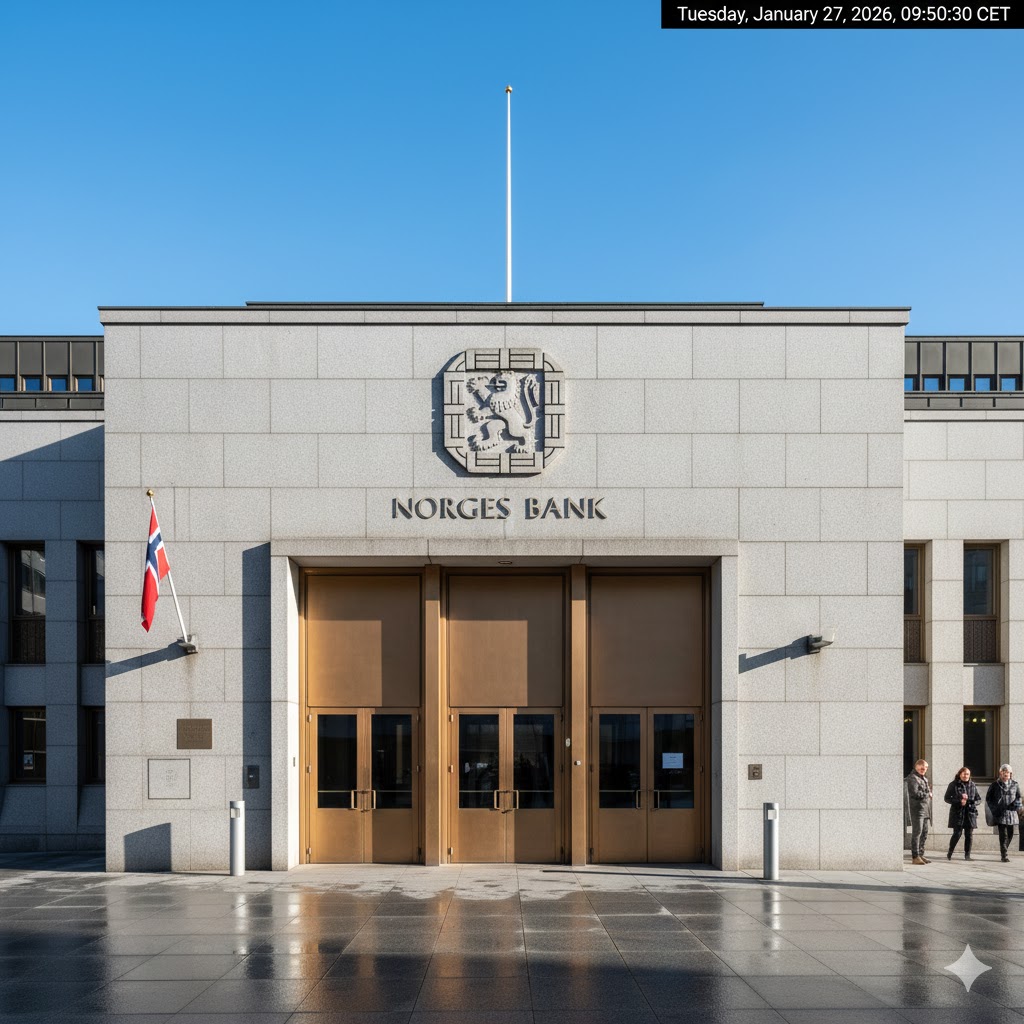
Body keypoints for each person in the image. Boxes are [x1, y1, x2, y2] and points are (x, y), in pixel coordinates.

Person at [986, 764, 1022, 862]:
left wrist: (1017, 805)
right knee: (1003, 834)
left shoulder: (1015, 784)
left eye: (1007, 773)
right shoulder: (995, 785)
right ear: (1000, 773)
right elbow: (989, 799)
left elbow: (1018, 796)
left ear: (1010, 774)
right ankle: (1004, 855)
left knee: (1011, 833)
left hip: (1012, 812)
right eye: (1004, 773)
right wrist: (994, 809)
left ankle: (1004, 848)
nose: (1006, 775)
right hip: (1000, 812)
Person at [944, 766, 980, 860]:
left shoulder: (973, 785)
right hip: (958, 813)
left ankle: (967, 855)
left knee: (969, 835)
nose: (965, 776)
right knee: (957, 833)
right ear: (959, 774)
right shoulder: (953, 784)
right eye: (964, 774)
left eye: (967, 774)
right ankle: (950, 852)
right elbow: (947, 798)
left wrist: (972, 802)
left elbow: (978, 799)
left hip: (970, 813)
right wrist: (959, 801)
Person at [905, 758, 932, 864]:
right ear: (916, 767)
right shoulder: (913, 778)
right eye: (921, 767)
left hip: (925, 809)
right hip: (917, 809)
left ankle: (921, 854)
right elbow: (914, 794)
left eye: (925, 768)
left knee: (924, 832)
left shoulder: (924, 778)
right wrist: (927, 794)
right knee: (917, 832)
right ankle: (915, 856)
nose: (923, 769)